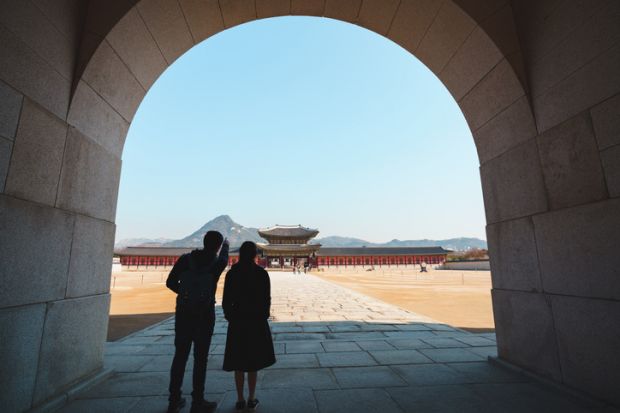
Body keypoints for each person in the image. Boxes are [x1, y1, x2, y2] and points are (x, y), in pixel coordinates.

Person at [165, 231, 229, 413]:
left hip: (184, 315)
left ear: (203, 241)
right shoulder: (218, 263)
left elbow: (170, 282)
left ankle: (174, 399)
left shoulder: (185, 260)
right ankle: (198, 400)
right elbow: (224, 256)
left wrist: (185, 294)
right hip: (205, 315)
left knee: (180, 357)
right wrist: (226, 244)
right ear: (217, 246)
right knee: (200, 359)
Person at [222, 241, 276, 411]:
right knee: (253, 362)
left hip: (238, 322)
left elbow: (225, 301)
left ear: (240, 254)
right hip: (256, 322)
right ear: (255, 255)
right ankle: (251, 398)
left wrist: (230, 317)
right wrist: (263, 316)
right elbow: (266, 299)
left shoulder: (232, 274)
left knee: (238, 362)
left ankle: (240, 399)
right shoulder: (261, 274)